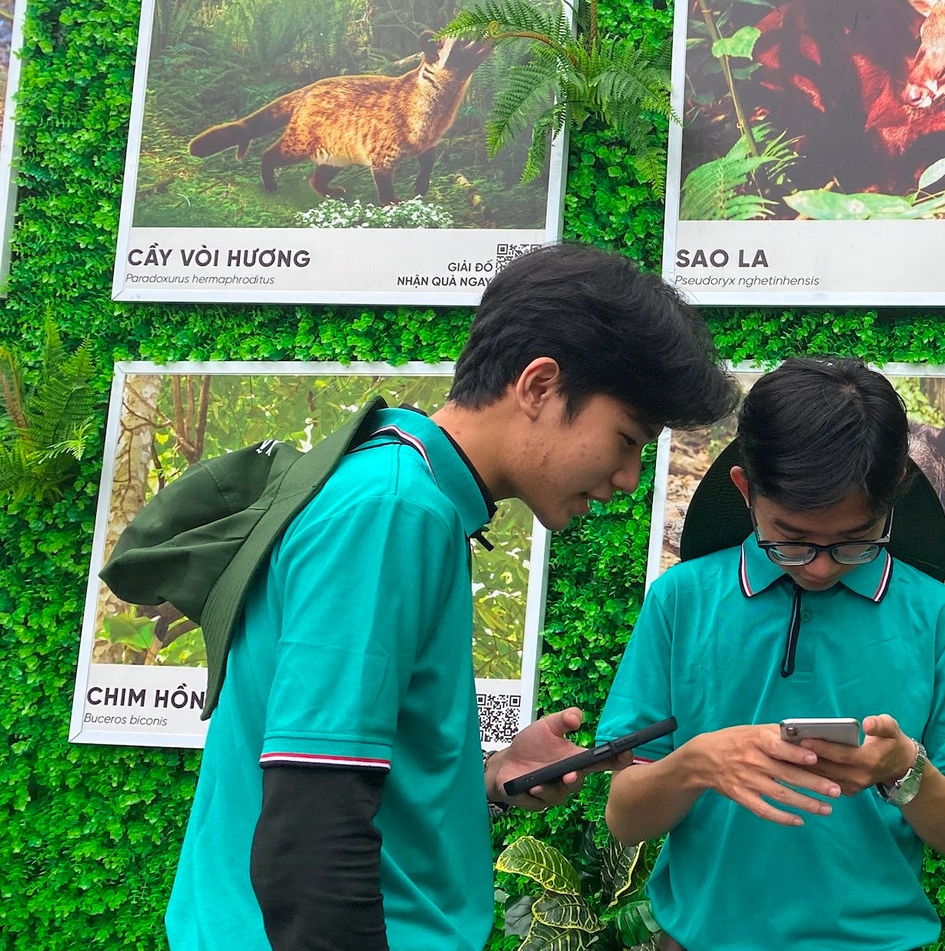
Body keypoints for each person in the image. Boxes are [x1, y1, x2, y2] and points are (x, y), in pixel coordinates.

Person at [165, 243, 739, 951]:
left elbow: (356, 771)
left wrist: (493, 779)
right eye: (625, 439)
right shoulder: (393, 512)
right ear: (538, 386)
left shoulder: (407, 491)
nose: (627, 477)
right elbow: (312, 824)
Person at [600, 356, 945, 951]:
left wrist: (903, 770)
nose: (819, 565)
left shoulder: (942, 621)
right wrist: (698, 762)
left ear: (892, 497)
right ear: (745, 490)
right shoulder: (679, 601)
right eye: (790, 538)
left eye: (854, 540)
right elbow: (625, 817)